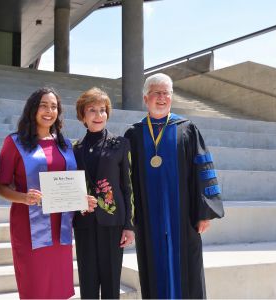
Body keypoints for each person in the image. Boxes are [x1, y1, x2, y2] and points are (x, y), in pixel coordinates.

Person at [124, 73, 224, 299]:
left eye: (166, 93)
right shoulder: (134, 133)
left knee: (187, 268)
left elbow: (203, 169)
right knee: (153, 264)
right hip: (148, 218)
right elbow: (125, 179)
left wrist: (204, 213)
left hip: (183, 216)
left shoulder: (186, 129)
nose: (161, 98)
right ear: (145, 98)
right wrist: (128, 219)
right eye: (156, 93)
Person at [0, 87, 97, 299]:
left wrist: (81, 199)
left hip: (60, 227)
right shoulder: (14, 142)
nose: (49, 111)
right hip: (29, 226)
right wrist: (24, 198)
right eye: (43, 105)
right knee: (35, 285)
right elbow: (1, 186)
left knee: (58, 285)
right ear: (33, 109)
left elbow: (68, 182)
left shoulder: (65, 145)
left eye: (54, 107)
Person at [73, 87, 135, 299]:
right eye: (92, 110)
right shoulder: (74, 149)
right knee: (88, 285)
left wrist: (129, 225)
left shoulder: (120, 144)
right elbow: (71, 187)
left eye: (102, 110)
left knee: (111, 285)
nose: (98, 115)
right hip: (84, 224)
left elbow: (128, 187)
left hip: (113, 224)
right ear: (83, 115)